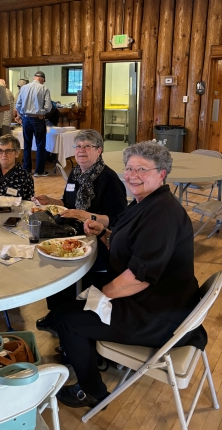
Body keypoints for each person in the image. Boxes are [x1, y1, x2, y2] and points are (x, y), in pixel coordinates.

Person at [54, 141, 207, 410]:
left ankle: (91, 391)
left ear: (162, 174)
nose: (132, 175)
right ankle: (88, 352)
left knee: (66, 317)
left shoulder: (161, 215)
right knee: (76, 298)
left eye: (142, 169)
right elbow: (132, 251)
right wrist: (102, 233)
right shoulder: (146, 203)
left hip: (157, 314)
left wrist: (99, 298)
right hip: (157, 299)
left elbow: (139, 277)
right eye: (129, 168)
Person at [33, 129, 127, 334]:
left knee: (66, 268)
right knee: (51, 262)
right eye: (78, 146)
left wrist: (86, 216)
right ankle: (56, 313)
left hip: (98, 239)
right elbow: (67, 204)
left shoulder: (109, 180)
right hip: (73, 231)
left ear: (99, 150)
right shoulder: (76, 173)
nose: (81, 150)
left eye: (87, 146)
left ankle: (71, 321)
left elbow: (118, 219)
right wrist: (51, 201)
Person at [16, 70, 52, 177]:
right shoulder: (44, 88)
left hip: (26, 119)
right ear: (42, 80)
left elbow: (18, 105)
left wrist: (22, 116)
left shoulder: (23, 88)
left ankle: (26, 169)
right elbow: (48, 107)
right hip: (38, 119)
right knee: (40, 145)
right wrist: (42, 113)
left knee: (27, 144)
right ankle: (39, 171)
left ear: (34, 78)